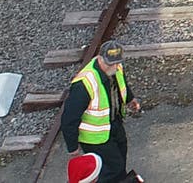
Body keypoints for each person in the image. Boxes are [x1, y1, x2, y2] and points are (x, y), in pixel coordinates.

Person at [59, 42, 144, 183]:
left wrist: (130, 98)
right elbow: (69, 119)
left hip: (113, 124)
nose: (114, 67)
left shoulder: (116, 67)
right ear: (100, 58)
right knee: (112, 169)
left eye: (117, 63)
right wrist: (72, 147)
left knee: (120, 160)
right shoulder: (84, 83)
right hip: (95, 137)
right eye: (110, 64)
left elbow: (122, 84)